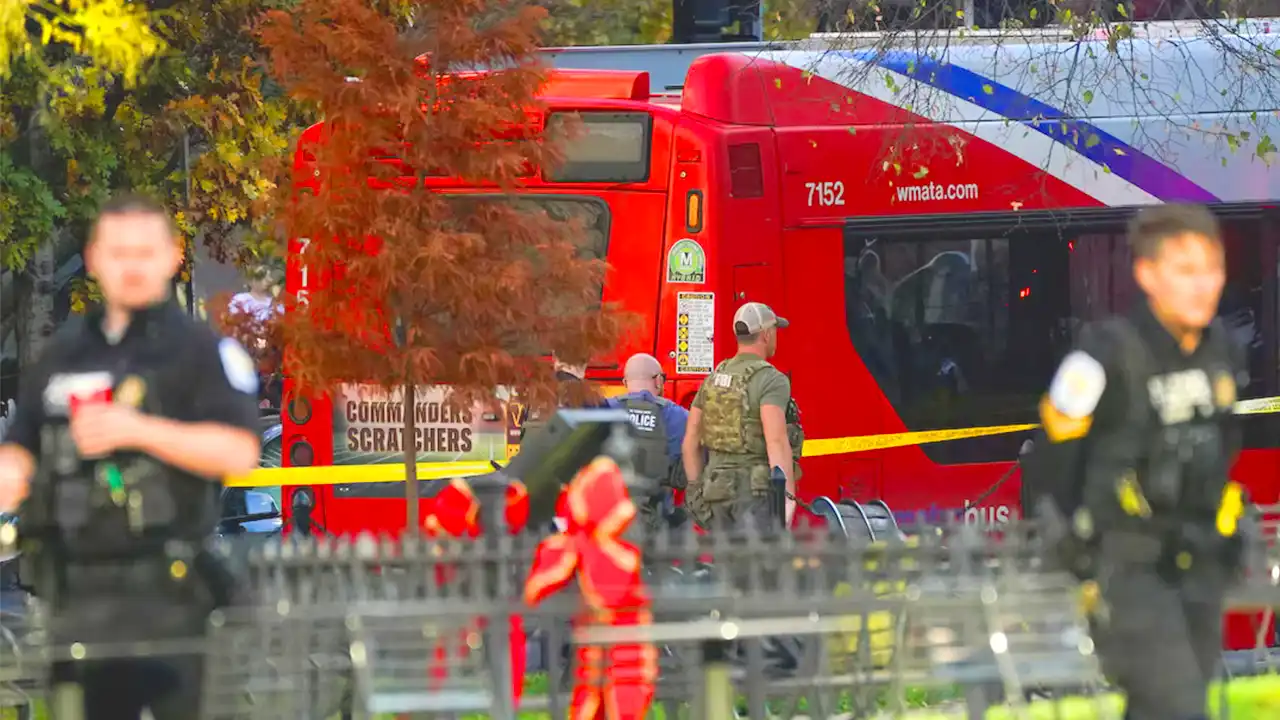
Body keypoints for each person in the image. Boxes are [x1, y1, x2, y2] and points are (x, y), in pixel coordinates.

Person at [0, 193, 262, 720]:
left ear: (172, 257)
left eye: (146, 252)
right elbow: (19, 456)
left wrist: (141, 430)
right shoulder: (64, 354)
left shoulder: (200, 353)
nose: (133, 265)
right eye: (119, 252)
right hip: (77, 598)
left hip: (172, 597)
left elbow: (240, 451)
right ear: (95, 259)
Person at [1029, 204, 1247, 720]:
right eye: (1186, 271)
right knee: (1179, 705)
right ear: (1148, 274)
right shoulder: (1106, 353)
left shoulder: (1222, 352)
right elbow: (1050, 456)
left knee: (1162, 705)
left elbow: (1222, 444)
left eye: (1212, 270)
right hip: (1125, 564)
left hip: (1199, 561)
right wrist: (1075, 544)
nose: (1203, 285)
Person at [682, 302, 798, 530]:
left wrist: (696, 488)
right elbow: (776, 441)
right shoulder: (771, 380)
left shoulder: (713, 379)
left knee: (724, 562)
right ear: (766, 335)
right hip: (755, 496)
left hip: (715, 493)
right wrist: (787, 498)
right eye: (774, 331)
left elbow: (691, 442)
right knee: (758, 564)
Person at [603, 353, 690, 528]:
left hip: (611, 517)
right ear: (658, 380)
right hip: (657, 518)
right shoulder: (679, 416)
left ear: (625, 383)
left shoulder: (602, 409)